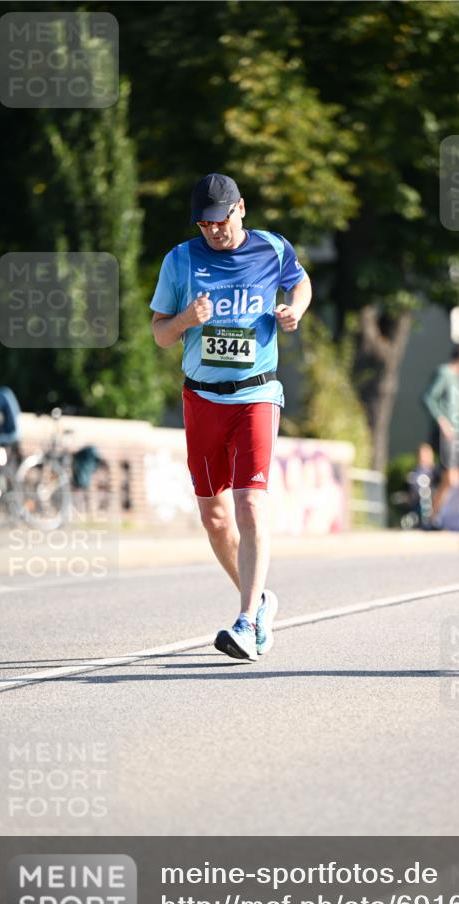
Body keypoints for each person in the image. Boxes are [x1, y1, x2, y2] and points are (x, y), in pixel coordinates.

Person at [150, 173, 312, 661]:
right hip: (201, 398)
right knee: (215, 517)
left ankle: (245, 622)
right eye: (204, 224)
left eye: (220, 221)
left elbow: (301, 284)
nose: (213, 232)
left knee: (250, 502)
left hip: (256, 394)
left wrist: (294, 312)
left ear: (241, 209)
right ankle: (261, 601)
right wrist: (185, 321)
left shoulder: (272, 249)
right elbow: (159, 334)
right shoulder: (180, 259)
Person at [421, 344, 459, 531]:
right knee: (451, 479)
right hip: (446, 435)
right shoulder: (444, 373)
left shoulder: (455, 379)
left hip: (458, 436)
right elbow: (427, 398)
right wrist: (442, 421)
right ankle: (431, 519)